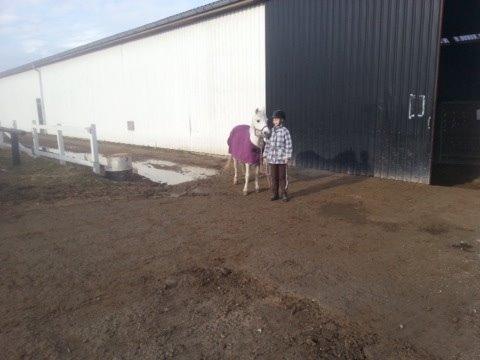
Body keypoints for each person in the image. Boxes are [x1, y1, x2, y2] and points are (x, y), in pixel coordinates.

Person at [264, 110, 293, 202]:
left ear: (281, 120)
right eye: (274, 120)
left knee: (282, 177)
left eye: (277, 119)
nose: (275, 121)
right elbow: (268, 144)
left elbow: (289, 144)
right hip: (272, 158)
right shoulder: (271, 131)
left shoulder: (285, 131)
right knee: (273, 177)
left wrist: (287, 156)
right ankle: (275, 193)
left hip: (281, 158)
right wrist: (265, 154)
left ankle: (284, 193)